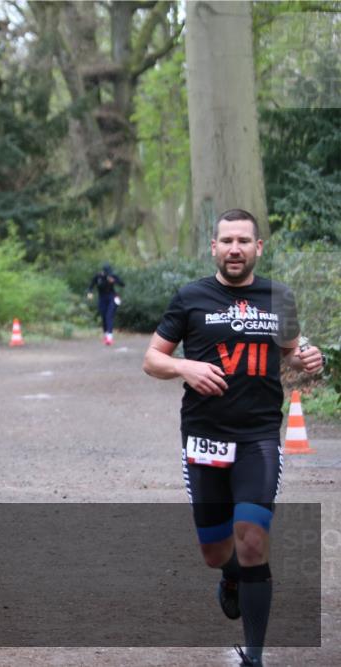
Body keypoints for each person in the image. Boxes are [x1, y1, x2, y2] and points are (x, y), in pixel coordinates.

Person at [142, 209, 324, 666]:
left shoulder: (278, 297)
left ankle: (254, 656)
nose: (235, 248)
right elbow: (151, 360)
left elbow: (291, 354)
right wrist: (185, 365)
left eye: (244, 240)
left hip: (259, 437)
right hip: (204, 437)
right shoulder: (190, 298)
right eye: (227, 241)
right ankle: (229, 578)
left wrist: (306, 361)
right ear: (214, 248)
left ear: (259, 247)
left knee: (252, 540)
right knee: (215, 551)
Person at [87, 263, 125, 345]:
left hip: (112, 297)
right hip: (102, 298)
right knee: (104, 316)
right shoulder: (98, 277)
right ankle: (106, 335)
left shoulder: (112, 276)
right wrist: (90, 293)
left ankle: (110, 338)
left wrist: (114, 281)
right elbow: (91, 285)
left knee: (109, 316)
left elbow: (122, 284)